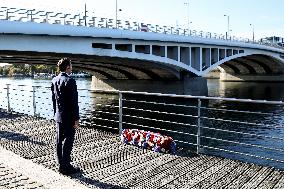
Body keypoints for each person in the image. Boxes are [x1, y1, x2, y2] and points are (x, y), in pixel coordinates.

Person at [51, 58, 80, 175]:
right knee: (68, 141)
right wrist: (76, 119)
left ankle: (60, 164)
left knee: (59, 140)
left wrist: (55, 114)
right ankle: (66, 166)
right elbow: (74, 102)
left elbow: (54, 100)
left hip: (59, 116)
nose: (72, 68)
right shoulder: (70, 81)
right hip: (69, 118)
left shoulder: (54, 80)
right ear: (68, 67)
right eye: (71, 65)